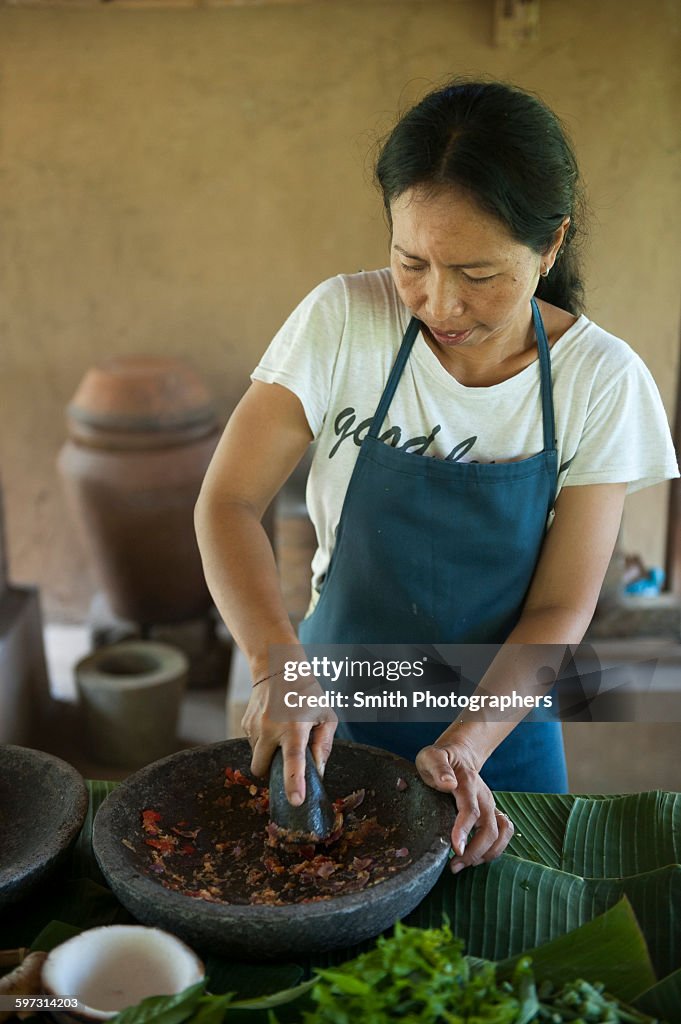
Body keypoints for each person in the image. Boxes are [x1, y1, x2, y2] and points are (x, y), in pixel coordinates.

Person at [194, 78, 679, 873]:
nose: (438, 303)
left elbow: (561, 605)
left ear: (549, 245)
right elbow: (228, 502)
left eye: (479, 274)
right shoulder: (341, 321)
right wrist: (275, 667)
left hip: (501, 725)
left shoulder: (601, 381)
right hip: (336, 700)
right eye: (410, 261)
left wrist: (469, 743)